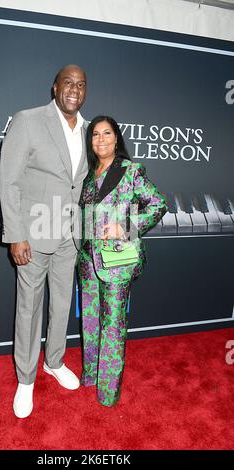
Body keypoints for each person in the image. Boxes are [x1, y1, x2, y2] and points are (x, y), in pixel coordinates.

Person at [0, 65, 88, 418]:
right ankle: (25, 379)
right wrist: (16, 235)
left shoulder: (88, 129)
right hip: (33, 235)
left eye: (81, 85)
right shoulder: (27, 120)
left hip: (70, 235)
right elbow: (10, 182)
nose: (74, 90)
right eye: (68, 83)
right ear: (55, 88)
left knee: (62, 304)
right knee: (29, 308)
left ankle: (54, 361)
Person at [78, 115, 167, 407]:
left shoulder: (130, 171)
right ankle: (90, 374)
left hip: (117, 260)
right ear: (90, 141)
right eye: (95, 135)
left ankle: (107, 392)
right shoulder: (89, 173)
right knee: (90, 323)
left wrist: (126, 226)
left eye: (107, 133)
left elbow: (158, 204)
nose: (101, 139)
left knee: (113, 325)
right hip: (87, 260)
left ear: (116, 138)